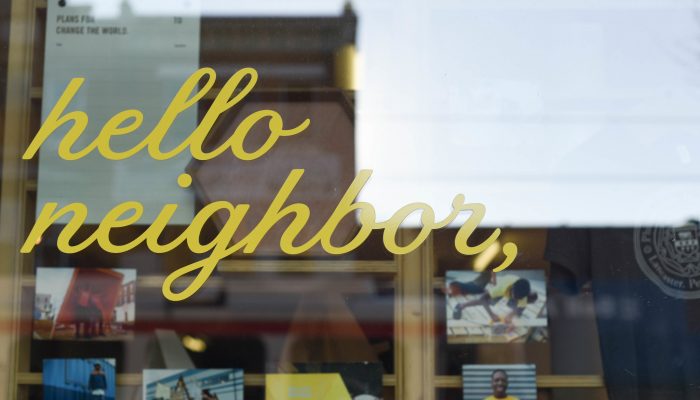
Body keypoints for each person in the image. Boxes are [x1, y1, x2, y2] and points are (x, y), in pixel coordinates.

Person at [449, 271, 538, 323]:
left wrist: (511, 314)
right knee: (487, 302)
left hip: (515, 288)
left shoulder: (523, 293)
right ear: (511, 290)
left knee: (519, 307)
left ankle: (513, 309)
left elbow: (522, 304)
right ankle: (461, 305)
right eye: (513, 296)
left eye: (517, 298)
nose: (515, 299)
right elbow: (483, 299)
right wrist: (492, 315)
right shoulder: (500, 289)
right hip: (504, 284)